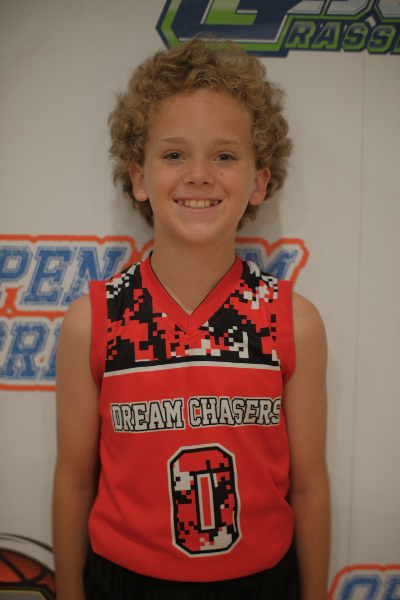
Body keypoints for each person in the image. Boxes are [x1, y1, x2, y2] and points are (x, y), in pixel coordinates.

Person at [53, 38, 330, 600]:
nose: (199, 175)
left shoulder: (291, 321)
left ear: (258, 181)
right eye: (174, 154)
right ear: (138, 177)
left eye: (224, 156)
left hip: (261, 584)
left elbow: (308, 486)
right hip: (123, 583)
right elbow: (76, 480)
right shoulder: (94, 321)